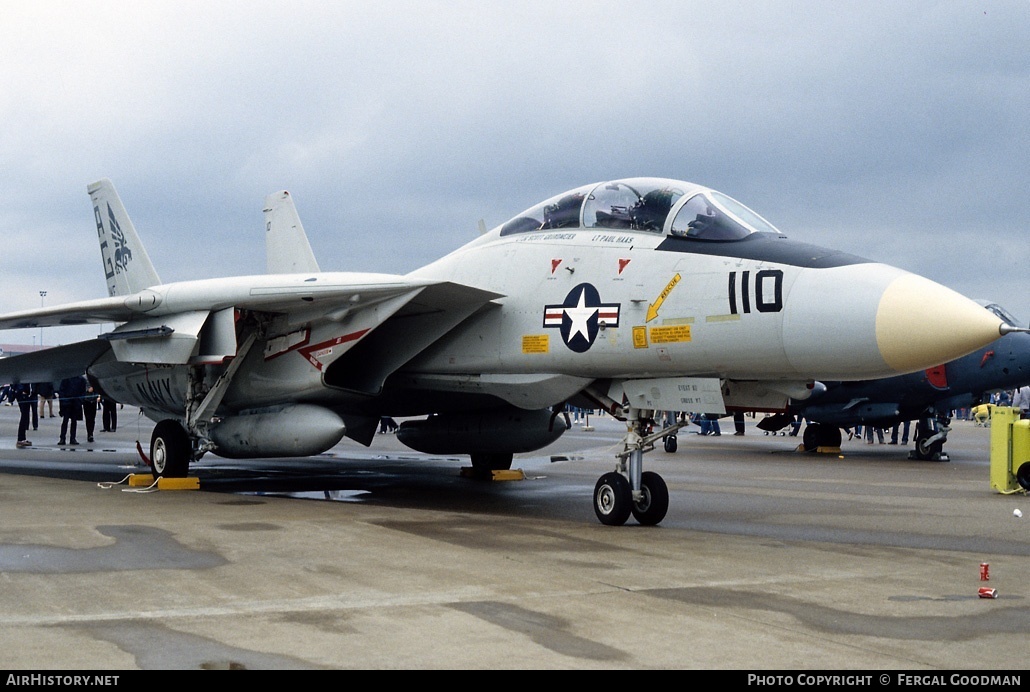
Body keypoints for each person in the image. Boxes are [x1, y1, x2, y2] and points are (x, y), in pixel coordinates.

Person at [57, 375, 87, 445]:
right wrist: (64, 401)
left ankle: (72, 438)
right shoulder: (66, 378)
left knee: (74, 421)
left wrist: (80, 400)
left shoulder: (81, 379)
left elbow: (83, 392)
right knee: (65, 420)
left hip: (75, 402)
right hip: (67, 402)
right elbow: (61, 391)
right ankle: (62, 438)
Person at [11, 382, 35, 448]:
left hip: (24, 394)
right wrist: (22, 391)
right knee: (24, 416)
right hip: (23, 395)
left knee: (25, 416)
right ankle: (20, 439)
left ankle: (22, 438)